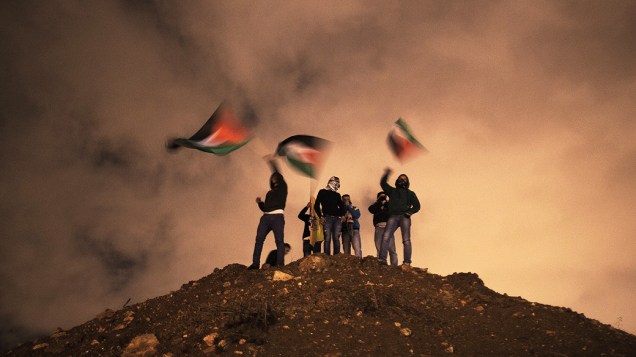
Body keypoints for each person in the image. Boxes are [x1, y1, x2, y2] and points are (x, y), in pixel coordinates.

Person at [248, 156, 288, 270]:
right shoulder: (269, 193)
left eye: (276, 177)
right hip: (266, 217)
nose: (274, 179)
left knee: (279, 241)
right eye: (273, 178)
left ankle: (280, 264)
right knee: (259, 240)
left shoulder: (283, 188)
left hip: (277, 216)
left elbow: (278, 172)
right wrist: (260, 203)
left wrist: (272, 163)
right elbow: (265, 208)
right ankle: (255, 264)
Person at [378, 168, 420, 266]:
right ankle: (382, 260)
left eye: (404, 179)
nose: (402, 180)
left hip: (404, 216)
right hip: (393, 216)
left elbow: (417, 206)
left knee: (406, 240)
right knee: (385, 236)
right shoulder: (392, 191)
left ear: (407, 182)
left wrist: (409, 212)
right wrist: (387, 173)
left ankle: (407, 262)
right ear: (397, 181)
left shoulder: (410, 193)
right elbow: (383, 184)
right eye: (400, 178)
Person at [314, 176, 345, 255]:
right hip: (327, 217)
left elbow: (342, 206)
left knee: (336, 238)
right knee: (327, 238)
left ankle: (337, 257)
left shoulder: (337, 194)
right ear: (333, 182)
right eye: (337, 183)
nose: (338, 186)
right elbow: (316, 205)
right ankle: (327, 257)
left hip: (337, 218)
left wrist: (343, 215)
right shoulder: (322, 192)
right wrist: (321, 216)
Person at [369, 191, 398, 266]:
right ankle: (381, 265)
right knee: (379, 246)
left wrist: (386, 203)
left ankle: (394, 266)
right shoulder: (376, 205)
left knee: (392, 248)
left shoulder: (389, 204)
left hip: (388, 227)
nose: (382, 198)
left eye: (383, 196)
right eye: (380, 196)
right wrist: (379, 203)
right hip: (378, 227)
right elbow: (371, 209)